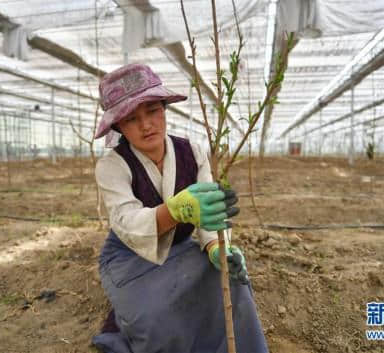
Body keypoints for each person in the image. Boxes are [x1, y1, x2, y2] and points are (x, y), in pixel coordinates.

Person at [91, 63, 268, 353]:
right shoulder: (112, 165)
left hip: (183, 247)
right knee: (157, 316)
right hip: (129, 257)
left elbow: (208, 211)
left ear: (164, 108)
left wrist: (213, 246)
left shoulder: (191, 152)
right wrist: (174, 210)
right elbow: (127, 221)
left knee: (231, 284)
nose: (146, 124)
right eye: (133, 119)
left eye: (152, 111)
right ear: (119, 126)